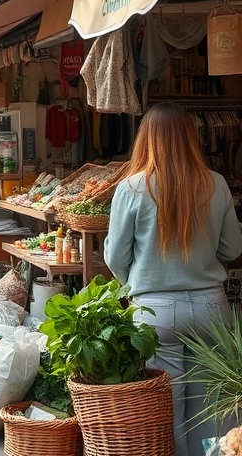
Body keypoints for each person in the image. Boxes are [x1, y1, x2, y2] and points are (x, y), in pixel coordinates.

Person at [105, 102, 242, 456]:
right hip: (212, 308)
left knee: (164, 409)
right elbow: (232, 248)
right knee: (212, 409)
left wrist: (134, 283)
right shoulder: (216, 184)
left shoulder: (132, 188)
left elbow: (115, 257)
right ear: (190, 138)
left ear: (146, 139)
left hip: (154, 312)